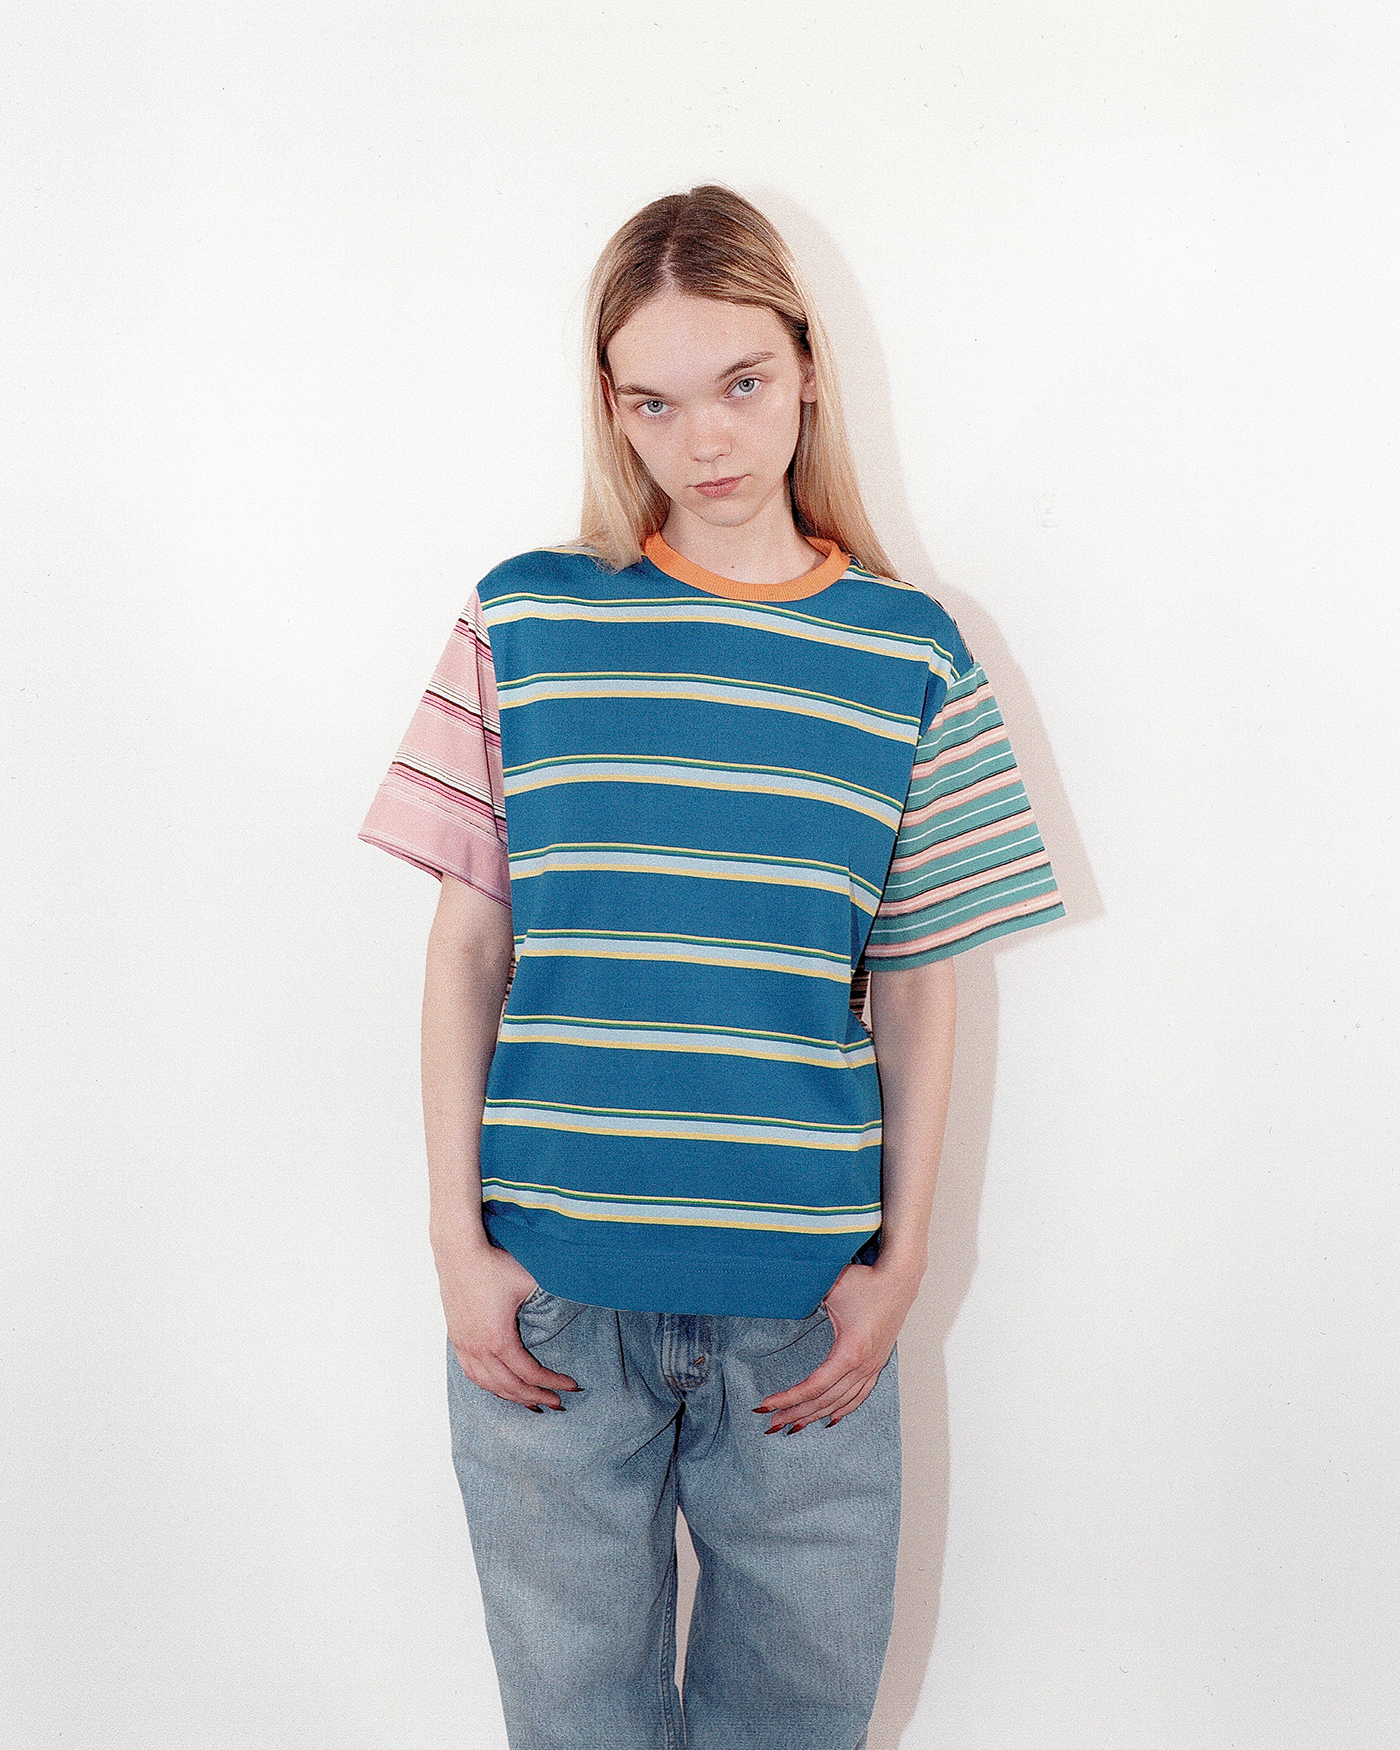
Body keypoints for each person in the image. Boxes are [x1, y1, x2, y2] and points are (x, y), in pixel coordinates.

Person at [360, 186, 1064, 1750]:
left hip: (806, 1311)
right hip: (552, 1309)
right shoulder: (524, 621)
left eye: (741, 381)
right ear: (610, 407)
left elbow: (923, 978)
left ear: (807, 364)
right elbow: (467, 945)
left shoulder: (911, 653)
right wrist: (456, 1246)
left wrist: (902, 1264)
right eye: (654, 401)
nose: (706, 439)